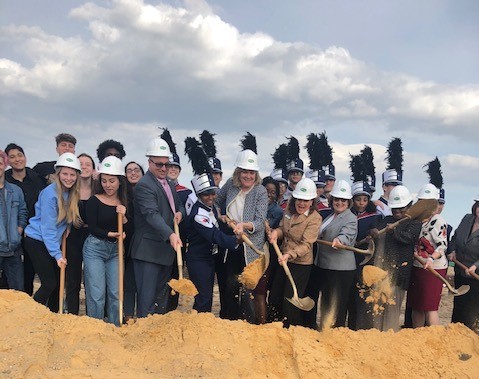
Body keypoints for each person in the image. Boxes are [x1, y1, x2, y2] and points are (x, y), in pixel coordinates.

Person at [130, 138, 185, 318]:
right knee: (147, 301)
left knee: (161, 300)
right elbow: (151, 214)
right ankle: (142, 337)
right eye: (159, 164)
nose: (163, 168)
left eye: (166, 164)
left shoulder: (169, 183)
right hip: (148, 252)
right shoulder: (144, 185)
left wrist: (180, 214)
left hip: (165, 252)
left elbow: (178, 206)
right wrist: (170, 234)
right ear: (149, 162)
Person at [183, 139, 239, 312]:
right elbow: (214, 236)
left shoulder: (212, 207)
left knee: (206, 296)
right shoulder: (198, 214)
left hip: (209, 257)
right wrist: (235, 241)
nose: (210, 197)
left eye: (212, 193)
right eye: (205, 194)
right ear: (199, 195)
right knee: (204, 298)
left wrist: (222, 218)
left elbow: (216, 219)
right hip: (198, 259)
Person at [216, 141, 268, 322]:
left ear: (256, 174)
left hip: (251, 248)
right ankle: (231, 321)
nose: (248, 176)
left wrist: (243, 225)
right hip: (232, 244)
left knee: (249, 289)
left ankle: (249, 324)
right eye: (244, 171)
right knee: (230, 285)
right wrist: (221, 216)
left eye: (251, 172)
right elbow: (216, 201)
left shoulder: (260, 191)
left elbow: (260, 222)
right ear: (238, 172)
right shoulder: (231, 185)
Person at [24, 152, 81, 312]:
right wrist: (57, 255)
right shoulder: (50, 194)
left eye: (72, 174)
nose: (68, 178)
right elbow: (48, 228)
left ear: (77, 176)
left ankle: (53, 317)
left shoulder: (71, 193)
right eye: (65, 174)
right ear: (58, 174)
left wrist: (67, 227)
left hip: (50, 241)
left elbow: (66, 216)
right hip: (37, 240)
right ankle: (31, 312)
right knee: (49, 283)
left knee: (58, 283)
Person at [267, 177, 322, 327]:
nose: (301, 203)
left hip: (300, 264)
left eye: (306, 200)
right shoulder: (288, 212)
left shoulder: (315, 219)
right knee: (274, 297)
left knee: (289, 301)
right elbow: (282, 230)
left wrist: (289, 254)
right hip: (283, 259)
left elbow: (306, 245)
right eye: (298, 199)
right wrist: (275, 234)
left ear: (312, 202)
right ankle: (273, 329)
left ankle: (291, 332)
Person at [369, 185, 421, 332]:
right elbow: (376, 236)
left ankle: (389, 337)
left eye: (401, 208)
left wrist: (395, 231)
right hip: (381, 272)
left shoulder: (414, 223)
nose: (397, 212)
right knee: (377, 307)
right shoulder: (385, 220)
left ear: (409, 206)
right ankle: (376, 335)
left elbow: (408, 238)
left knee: (392, 309)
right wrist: (373, 233)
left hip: (399, 274)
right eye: (395, 209)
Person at [306, 179, 358, 330]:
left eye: (343, 200)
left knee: (338, 305)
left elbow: (347, 235)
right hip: (323, 265)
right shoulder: (330, 216)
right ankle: (324, 331)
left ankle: (335, 335)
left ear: (348, 202)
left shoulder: (350, 218)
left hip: (340, 269)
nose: (339, 202)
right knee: (327, 302)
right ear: (332, 200)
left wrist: (339, 240)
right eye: (337, 199)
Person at [83, 156, 127, 326]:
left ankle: (116, 327)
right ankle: (96, 329)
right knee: (97, 293)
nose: (108, 185)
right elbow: (92, 227)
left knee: (116, 292)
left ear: (119, 181)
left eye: (112, 181)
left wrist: (123, 219)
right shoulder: (94, 201)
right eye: (104, 181)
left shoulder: (123, 202)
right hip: (95, 249)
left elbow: (128, 228)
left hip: (116, 251)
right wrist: (111, 234)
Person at [4, 143, 46, 294]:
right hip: (11, 232)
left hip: (34, 233)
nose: (17, 159)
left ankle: (28, 306)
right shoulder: (5, 181)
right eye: (12, 157)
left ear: (25, 157)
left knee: (30, 271)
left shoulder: (37, 178)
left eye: (20, 155)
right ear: (7, 161)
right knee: (10, 275)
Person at [407, 184, 447, 328]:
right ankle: (417, 337)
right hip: (418, 265)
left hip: (433, 268)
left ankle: (434, 339)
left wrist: (431, 258)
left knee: (430, 307)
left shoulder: (438, 221)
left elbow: (442, 246)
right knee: (417, 305)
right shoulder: (417, 220)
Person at [65, 153, 96, 314]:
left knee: (92, 279)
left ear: (93, 168)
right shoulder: (70, 190)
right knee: (73, 279)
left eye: (87, 164)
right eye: (81, 163)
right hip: (73, 237)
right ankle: (72, 313)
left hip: (93, 237)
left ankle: (93, 315)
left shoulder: (98, 189)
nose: (84, 166)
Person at [347, 180, 380, 330]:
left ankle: (362, 327)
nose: (361, 203)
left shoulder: (374, 216)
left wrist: (372, 235)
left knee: (363, 294)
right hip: (348, 258)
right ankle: (350, 325)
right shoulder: (347, 214)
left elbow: (376, 233)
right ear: (352, 200)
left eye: (365, 200)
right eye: (358, 199)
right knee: (349, 295)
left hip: (365, 260)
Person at [447, 196, 479, 333]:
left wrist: (476, 266)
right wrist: (452, 251)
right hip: (460, 271)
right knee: (458, 308)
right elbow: (455, 237)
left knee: (470, 312)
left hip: (475, 278)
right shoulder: (467, 219)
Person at [0, 150, 28, 291]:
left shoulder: (15, 190)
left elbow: (23, 212)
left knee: (18, 293)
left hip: (13, 250)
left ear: (5, 165)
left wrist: (19, 229)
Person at [123, 161, 144, 320]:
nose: (133, 173)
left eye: (136, 170)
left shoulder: (148, 192)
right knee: (129, 282)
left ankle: (143, 317)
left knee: (143, 283)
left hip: (145, 244)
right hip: (126, 243)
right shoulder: (121, 195)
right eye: (129, 170)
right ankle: (128, 315)